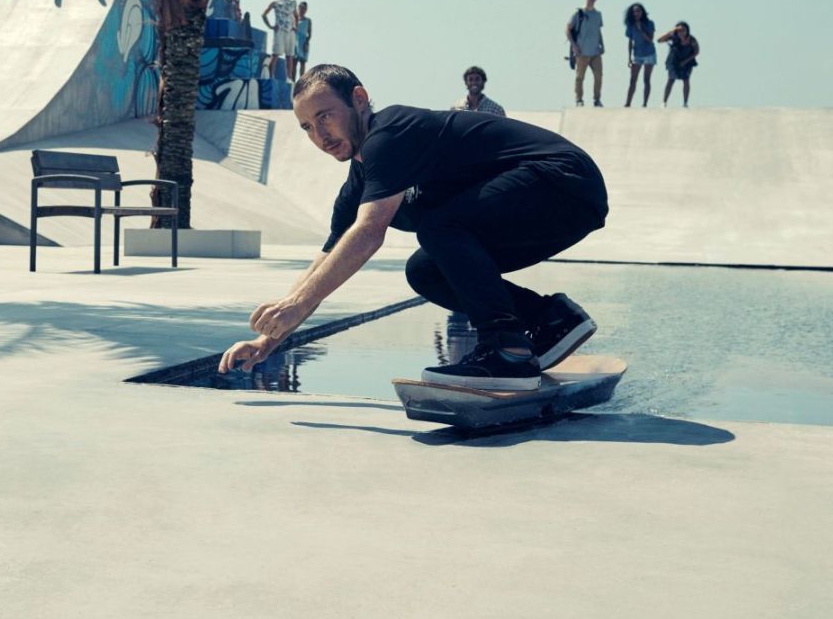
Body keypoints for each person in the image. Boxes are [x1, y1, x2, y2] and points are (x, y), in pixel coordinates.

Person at [217, 64, 609, 391]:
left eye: (325, 116)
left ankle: (506, 351)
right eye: (306, 127)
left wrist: (295, 308)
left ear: (359, 99)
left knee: (439, 228)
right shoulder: (360, 181)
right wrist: (267, 340)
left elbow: (369, 233)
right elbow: (327, 262)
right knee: (425, 270)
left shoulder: (390, 134)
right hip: (554, 202)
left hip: (563, 181)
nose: (319, 136)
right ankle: (550, 318)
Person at [565, 0, 604, 107]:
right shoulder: (579, 13)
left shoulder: (598, 14)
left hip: (595, 51)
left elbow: (598, 30)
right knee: (580, 77)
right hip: (582, 51)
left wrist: (602, 44)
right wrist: (574, 45)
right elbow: (568, 29)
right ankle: (579, 99)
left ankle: (597, 99)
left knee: (598, 76)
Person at [262, 0, 300, 82]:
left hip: (290, 31)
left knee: (290, 56)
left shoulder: (293, 2)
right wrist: (271, 26)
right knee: (275, 54)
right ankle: (271, 77)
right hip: (279, 31)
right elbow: (264, 14)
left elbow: (296, 16)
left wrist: (295, 26)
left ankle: (289, 78)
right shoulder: (275, 3)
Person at [658, 21, 700, 107]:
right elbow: (659, 40)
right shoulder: (674, 37)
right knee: (671, 80)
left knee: (686, 80)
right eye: (679, 30)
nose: (681, 32)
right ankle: (664, 102)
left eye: (683, 30)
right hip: (674, 60)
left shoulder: (691, 40)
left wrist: (685, 61)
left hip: (687, 61)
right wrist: (671, 31)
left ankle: (685, 103)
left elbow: (696, 52)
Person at [623, 2, 657, 107]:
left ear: (642, 12)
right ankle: (628, 103)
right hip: (637, 54)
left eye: (638, 11)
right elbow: (630, 41)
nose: (636, 13)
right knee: (633, 80)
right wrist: (629, 58)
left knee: (646, 79)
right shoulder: (630, 25)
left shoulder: (649, 23)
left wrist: (641, 29)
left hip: (649, 53)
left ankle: (645, 103)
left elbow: (650, 39)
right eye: (634, 12)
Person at [295, 1, 313, 76]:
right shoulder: (295, 19)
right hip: (295, 41)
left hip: (303, 41)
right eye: (300, 7)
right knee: (294, 61)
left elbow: (309, 33)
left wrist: (306, 43)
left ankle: (301, 79)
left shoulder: (308, 20)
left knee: (302, 62)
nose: (302, 10)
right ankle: (292, 80)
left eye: (304, 8)